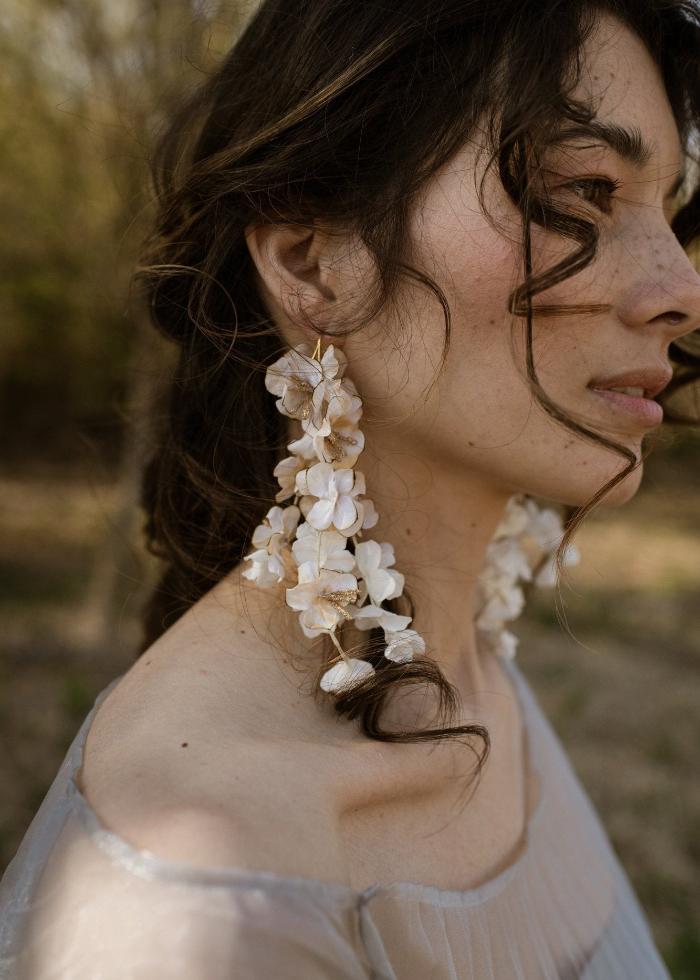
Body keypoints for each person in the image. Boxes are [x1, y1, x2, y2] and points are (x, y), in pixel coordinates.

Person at [1, 1, 699, 977]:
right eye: (583, 191)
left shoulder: (469, 675)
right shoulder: (196, 894)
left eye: (668, 207)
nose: (680, 287)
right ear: (310, 264)